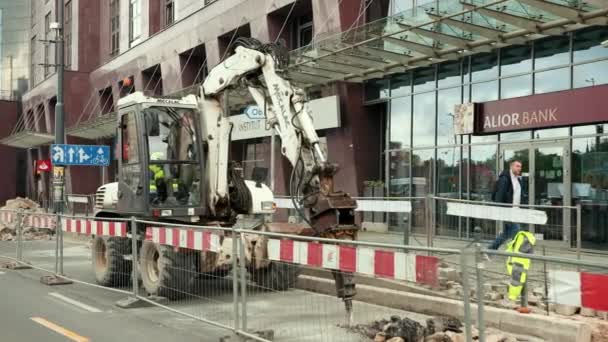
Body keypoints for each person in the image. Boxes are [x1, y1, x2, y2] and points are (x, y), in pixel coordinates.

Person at [489, 160, 523, 250]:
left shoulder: (517, 180)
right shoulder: (505, 179)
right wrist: (500, 210)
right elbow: (499, 195)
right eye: (517, 166)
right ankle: (515, 251)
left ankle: (491, 248)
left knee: (507, 233)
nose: (519, 168)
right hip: (507, 210)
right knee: (516, 230)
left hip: (516, 210)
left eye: (520, 166)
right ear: (511, 166)